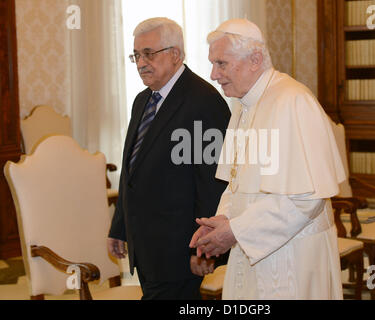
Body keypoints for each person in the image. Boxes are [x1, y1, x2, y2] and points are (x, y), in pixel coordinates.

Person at [189, 19, 347, 299]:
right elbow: (235, 181)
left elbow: (307, 199)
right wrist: (221, 222)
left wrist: (235, 231)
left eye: (221, 63)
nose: (213, 74)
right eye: (213, 63)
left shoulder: (293, 100)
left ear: (255, 60)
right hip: (253, 249)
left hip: (292, 259)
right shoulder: (244, 104)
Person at [108, 17, 230, 300]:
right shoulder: (143, 100)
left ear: (175, 54)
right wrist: (120, 227)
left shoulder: (203, 101)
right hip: (147, 248)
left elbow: (212, 184)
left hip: (179, 251)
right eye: (136, 55)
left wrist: (202, 248)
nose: (140, 63)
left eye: (149, 54)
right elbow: (132, 172)